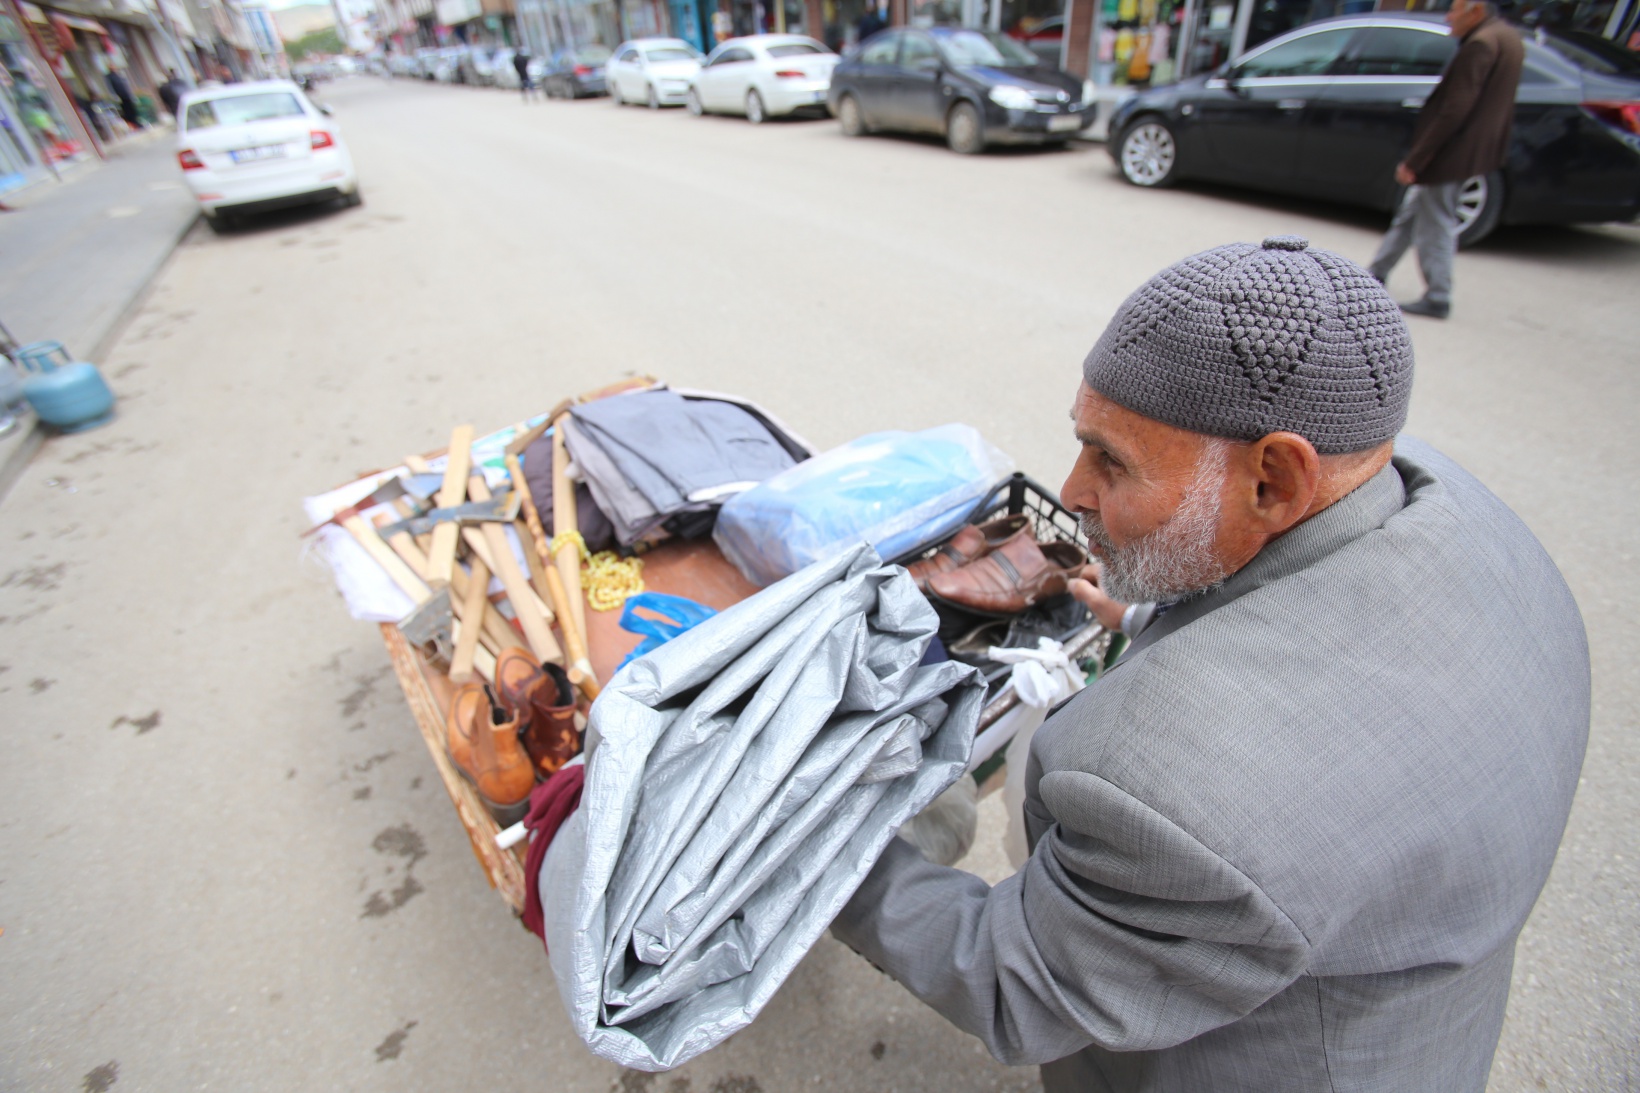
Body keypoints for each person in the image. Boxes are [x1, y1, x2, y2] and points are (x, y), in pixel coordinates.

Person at [832, 236, 1590, 1092]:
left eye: (1111, 459)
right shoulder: (1458, 514)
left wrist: (822, 859)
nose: (1074, 490)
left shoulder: (1181, 794)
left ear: (1274, 479)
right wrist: (1154, 608)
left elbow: (1015, 975)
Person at [1367, 0, 1523, 319]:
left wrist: (1417, 159)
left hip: (1452, 152)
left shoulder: (1480, 44)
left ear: (1475, 12)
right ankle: (1376, 272)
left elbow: (1455, 109)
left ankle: (1438, 294)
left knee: (1435, 221)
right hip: (1472, 147)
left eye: (1454, 10)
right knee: (1412, 213)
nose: (1448, 17)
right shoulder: (1507, 37)